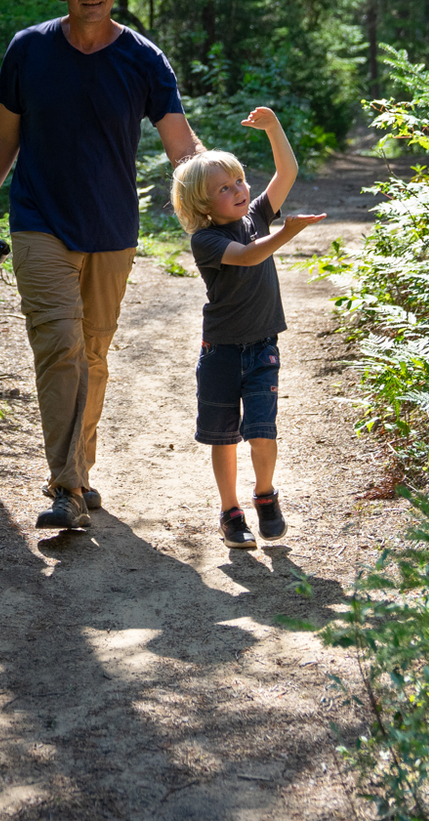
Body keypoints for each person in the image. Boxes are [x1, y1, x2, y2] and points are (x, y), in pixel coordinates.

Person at [0, 0, 202, 531]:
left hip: (111, 228)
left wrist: (222, 197)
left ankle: (79, 472)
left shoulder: (144, 59)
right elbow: (3, 137)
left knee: (92, 354)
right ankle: (67, 487)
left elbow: (182, 147)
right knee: (59, 346)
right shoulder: (29, 50)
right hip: (38, 220)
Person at [171, 108, 324, 548]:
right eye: (224, 188)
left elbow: (287, 171)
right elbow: (250, 255)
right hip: (221, 351)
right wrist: (287, 233)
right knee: (223, 437)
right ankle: (230, 511)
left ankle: (265, 496)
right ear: (203, 205)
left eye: (239, 180)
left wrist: (275, 126)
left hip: (262, 347)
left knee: (262, 430)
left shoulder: (256, 215)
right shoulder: (207, 240)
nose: (238, 190)